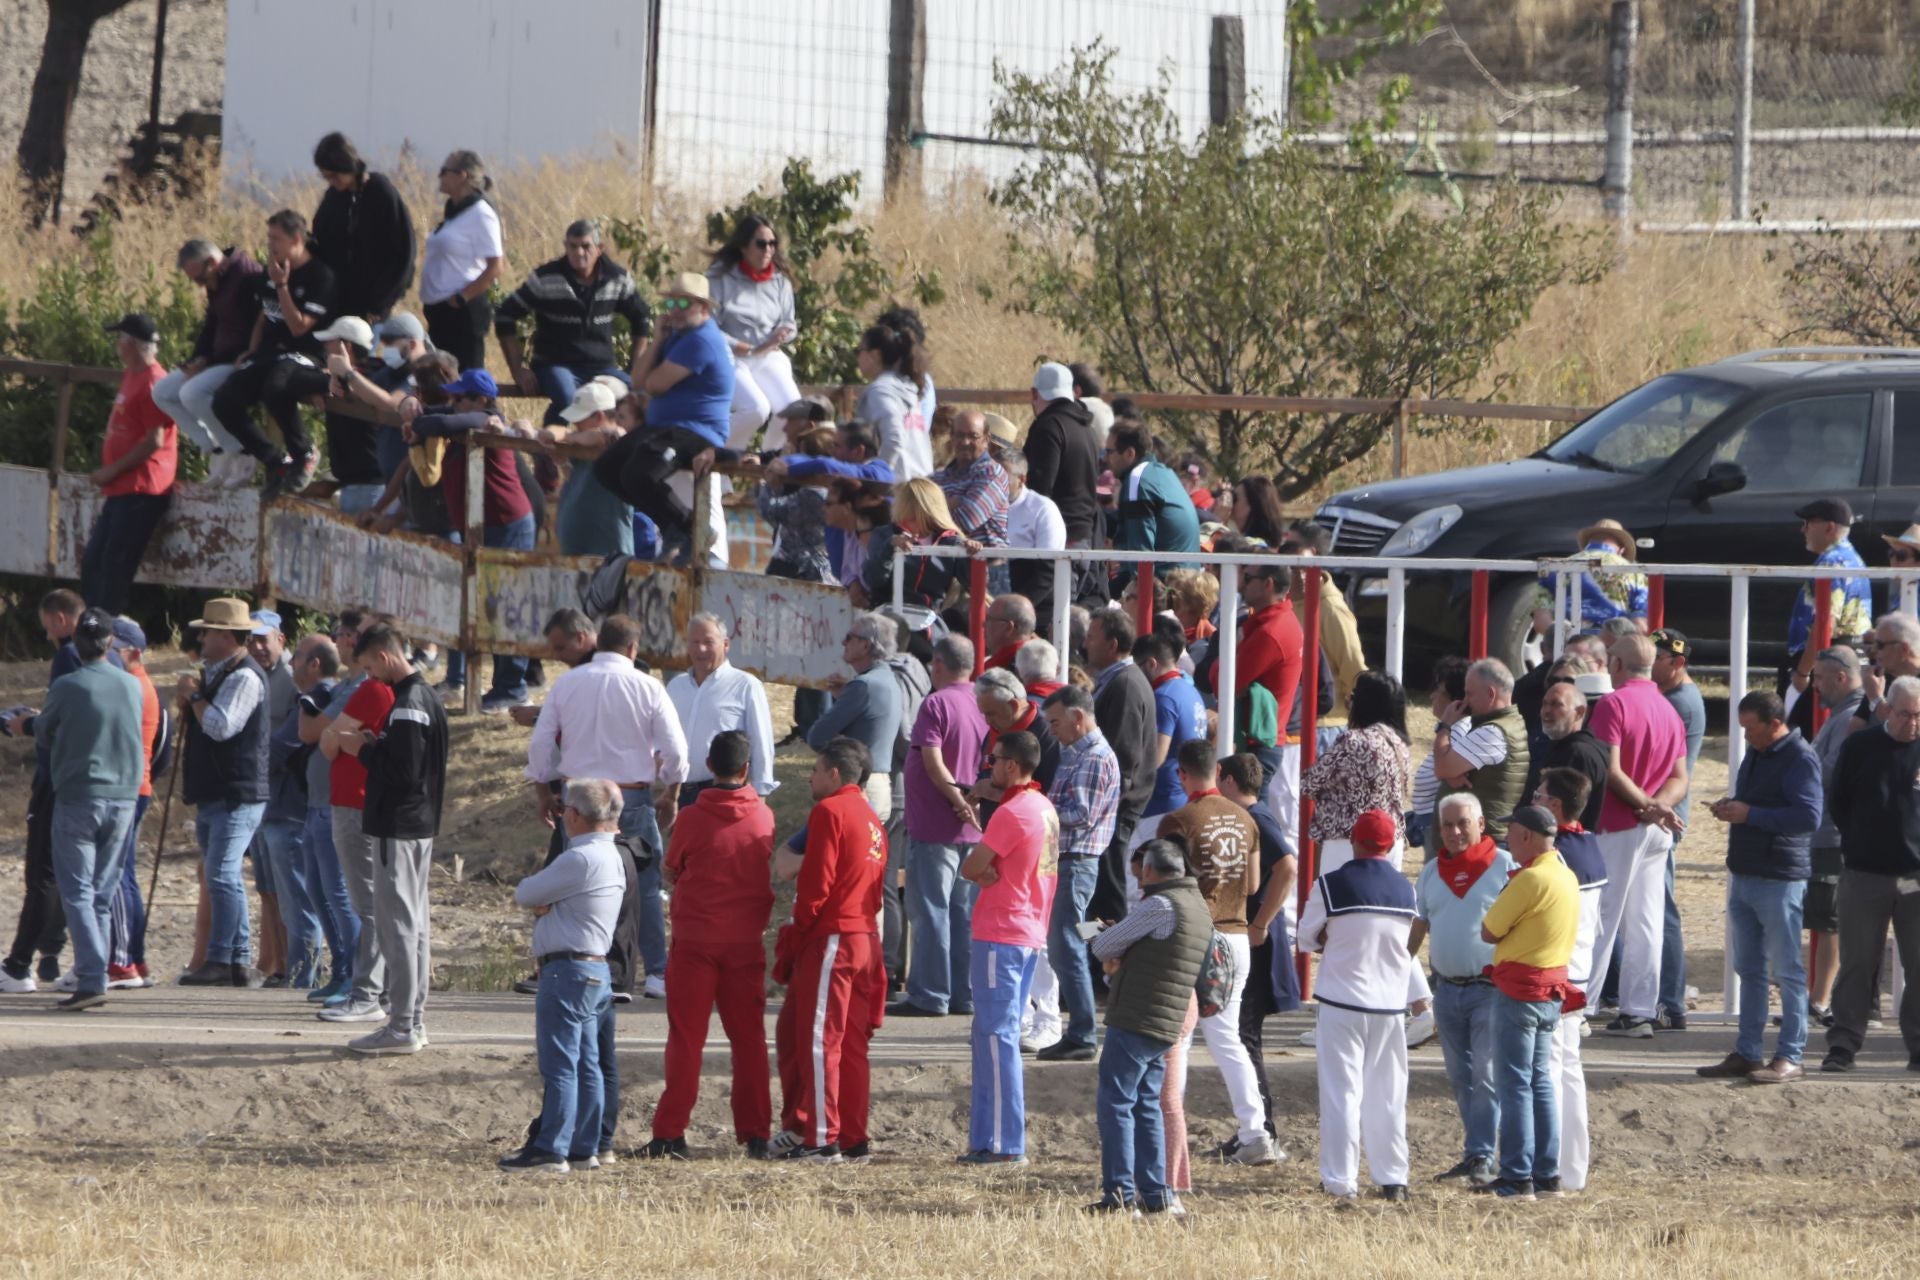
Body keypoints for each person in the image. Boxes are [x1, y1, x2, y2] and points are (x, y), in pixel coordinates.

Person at [530, 615, 689, 1002]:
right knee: (646, 887)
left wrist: (543, 790)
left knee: (578, 883)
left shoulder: (567, 683)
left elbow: (540, 745)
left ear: (598, 643)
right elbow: (677, 751)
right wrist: (672, 791)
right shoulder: (648, 686)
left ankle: (586, 963)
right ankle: (656, 973)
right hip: (630, 795)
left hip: (579, 796)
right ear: (633, 649)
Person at [8, 609, 143, 1010]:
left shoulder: (68, 684)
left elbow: (45, 731)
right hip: (123, 796)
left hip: (81, 795)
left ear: (77, 644)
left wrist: (24, 725)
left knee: (78, 891)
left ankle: (91, 975)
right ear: (108, 642)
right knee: (100, 891)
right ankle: (93, 972)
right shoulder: (130, 684)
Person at [649, 731, 775, 1160]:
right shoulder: (763, 816)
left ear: (709, 762)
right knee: (750, 1040)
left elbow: (672, 866)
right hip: (745, 942)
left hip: (695, 940)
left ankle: (670, 1133)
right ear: (746, 769)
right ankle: (757, 1132)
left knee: (686, 1039)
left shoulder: (690, 817)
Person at [1154, 739, 1277, 1166]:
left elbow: (1163, 886)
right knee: (1227, 1038)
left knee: (1179, 1036)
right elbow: (1254, 884)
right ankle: (1255, 1131)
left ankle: (1169, 1133)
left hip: (1196, 935)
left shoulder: (1178, 820)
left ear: (1182, 774)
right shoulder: (1246, 820)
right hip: (1238, 932)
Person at [497, 779, 628, 1175]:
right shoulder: (610, 856)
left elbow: (526, 893)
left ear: (573, 814)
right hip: (594, 968)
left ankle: (550, 1147)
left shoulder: (579, 858)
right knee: (587, 1062)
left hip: (567, 970)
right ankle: (583, 1146)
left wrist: (546, 904)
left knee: (560, 1065)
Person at [1693, 691, 1821, 1084]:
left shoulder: (1800, 758)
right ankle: (1749, 1052)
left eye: (1750, 727)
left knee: (1787, 971)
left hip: (1780, 877)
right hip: (1747, 872)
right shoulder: (1759, 753)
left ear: (1774, 723)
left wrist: (1750, 814)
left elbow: (1809, 816)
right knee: (1749, 969)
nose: (1745, 735)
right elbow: (1759, 804)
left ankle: (1790, 1055)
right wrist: (1733, 807)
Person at [771, 738, 889, 1162]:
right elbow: (876, 891)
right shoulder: (873, 820)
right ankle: (853, 1136)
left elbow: (815, 885)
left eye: (816, 769)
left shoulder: (830, 812)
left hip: (834, 938)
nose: (810, 777)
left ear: (835, 773)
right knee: (852, 1044)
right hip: (864, 939)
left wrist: (799, 933)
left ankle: (822, 1137)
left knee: (821, 1040)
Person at [333, 623, 448, 1055]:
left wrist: (364, 748)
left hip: (397, 827)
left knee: (398, 925)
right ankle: (410, 1020)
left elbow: (402, 772)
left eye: (368, 667)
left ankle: (402, 1024)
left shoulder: (407, 705)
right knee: (412, 924)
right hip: (417, 826)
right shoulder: (426, 698)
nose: (369, 678)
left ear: (383, 656)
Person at [1298, 810, 1419, 1206]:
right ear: (1389, 845)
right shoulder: (1406, 889)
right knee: (1388, 1094)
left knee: (1341, 1093)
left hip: (1341, 1000)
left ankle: (1340, 1180)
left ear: (1355, 840)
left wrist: (1332, 937)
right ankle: (1393, 1178)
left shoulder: (1331, 885)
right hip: (1389, 1005)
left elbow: (1305, 939)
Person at [1087, 837, 1212, 1216]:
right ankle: (1156, 1194)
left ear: (1153, 870)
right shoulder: (1198, 905)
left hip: (1138, 1014)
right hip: (1167, 1019)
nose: (1138, 876)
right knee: (1147, 1105)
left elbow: (1102, 947)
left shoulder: (1160, 904)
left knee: (1117, 1103)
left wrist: (1096, 933)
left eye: (1142, 869)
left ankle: (1120, 1195)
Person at [405, 368, 537, 712]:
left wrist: (421, 420)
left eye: (460, 397)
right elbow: (433, 417)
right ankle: (503, 683)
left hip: (506, 523)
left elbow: (438, 424)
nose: (453, 402)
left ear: (480, 399)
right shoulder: (468, 417)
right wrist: (409, 404)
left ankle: (513, 685)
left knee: (507, 607)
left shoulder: (486, 417)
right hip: (482, 525)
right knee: (487, 605)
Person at [956, 730, 1058, 1165]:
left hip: (1003, 932)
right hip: (1027, 930)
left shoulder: (1014, 811)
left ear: (1012, 766)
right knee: (993, 1035)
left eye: (994, 760)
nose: (990, 767)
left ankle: (1003, 1142)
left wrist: (982, 872)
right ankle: (989, 1139)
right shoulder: (1044, 807)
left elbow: (970, 867)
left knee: (996, 1038)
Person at [1585, 634, 1688, 1039]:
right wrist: (1658, 806)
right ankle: (1639, 1010)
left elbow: (1608, 770)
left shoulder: (1613, 704)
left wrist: (1645, 804)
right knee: (1645, 920)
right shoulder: (1668, 708)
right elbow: (1681, 778)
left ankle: (1582, 1003)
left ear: (1616, 663)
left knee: (1600, 915)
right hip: (1654, 828)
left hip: (1618, 822)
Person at [1408, 792, 1513, 1188]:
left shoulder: (1505, 867)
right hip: (1447, 991)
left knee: (1486, 1074)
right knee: (1460, 1075)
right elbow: (1418, 926)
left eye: (1462, 823)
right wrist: (1399, 969)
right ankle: (1476, 1152)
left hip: (1490, 989)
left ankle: (1485, 1154)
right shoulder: (1432, 872)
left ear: (1481, 824)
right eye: (1446, 825)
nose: (1453, 832)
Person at [1477, 805, 1580, 1202]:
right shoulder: (1565, 875)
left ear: (1525, 836)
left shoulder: (1530, 880)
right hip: (1550, 991)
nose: (1507, 841)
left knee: (1515, 1084)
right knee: (1539, 1081)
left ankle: (1517, 1176)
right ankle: (1546, 1174)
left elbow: (1489, 930)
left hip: (1519, 991)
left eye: (1512, 834)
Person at [171, 598, 271, 987]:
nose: (201, 637)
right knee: (219, 875)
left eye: (208, 631)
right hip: (219, 793)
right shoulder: (220, 673)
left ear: (227, 636)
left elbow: (219, 726)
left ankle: (231, 959)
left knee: (223, 874)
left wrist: (195, 696)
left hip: (237, 793)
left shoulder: (244, 676)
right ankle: (231, 961)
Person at [1823, 676, 1920, 1073]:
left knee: (1918, 965)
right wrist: (1861, 842)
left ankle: (1917, 1046)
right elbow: (1839, 801)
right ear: (1887, 710)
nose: (1912, 723)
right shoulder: (1861, 746)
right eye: (1904, 715)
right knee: (1858, 963)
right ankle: (1844, 1043)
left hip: (1916, 877)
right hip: (1865, 874)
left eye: (1918, 716)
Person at [891, 635, 990, 1018]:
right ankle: (962, 993)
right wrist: (971, 804)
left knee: (931, 911)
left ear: (937, 664)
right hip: (971, 828)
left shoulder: (936, 703)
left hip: (936, 826)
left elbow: (932, 761)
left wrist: (958, 802)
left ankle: (930, 993)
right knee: (962, 914)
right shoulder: (981, 702)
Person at [607, 271, 735, 561]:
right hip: (666, 429)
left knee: (639, 474)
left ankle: (692, 535)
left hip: (693, 432)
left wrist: (651, 381)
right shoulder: (676, 337)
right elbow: (638, 380)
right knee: (609, 468)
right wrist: (657, 339)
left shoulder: (700, 340)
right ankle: (679, 529)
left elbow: (655, 384)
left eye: (683, 303)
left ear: (703, 307)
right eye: (671, 303)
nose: (674, 310)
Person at [210, 209, 338, 499]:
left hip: (306, 354)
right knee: (224, 400)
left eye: (276, 238)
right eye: (268, 237)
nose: (270, 244)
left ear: (296, 239)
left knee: (276, 388)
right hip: (270, 354)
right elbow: (265, 316)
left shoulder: (320, 276)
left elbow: (298, 327)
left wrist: (282, 285)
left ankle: (303, 452)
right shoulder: (273, 271)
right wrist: (252, 352)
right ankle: (275, 460)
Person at [314, 610, 394, 1023]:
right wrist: (345, 738)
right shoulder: (397, 692)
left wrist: (344, 738)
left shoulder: (373, 691)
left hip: (354, 804)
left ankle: (368, 994)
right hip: (369, 804)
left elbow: (327, 741)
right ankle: (382, 991)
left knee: (370, 904)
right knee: (379, 902)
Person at [495, 218, 651, 423]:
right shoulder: (546, 277)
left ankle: (611, 451)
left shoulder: (617, 278)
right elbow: (505, 315)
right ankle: (548, 449)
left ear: (599, 248)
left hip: (601, 366)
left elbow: (642, 317)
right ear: (565, 247)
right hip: (556, 364)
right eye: (573, 246)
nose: (579, 253)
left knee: (637, 397)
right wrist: (517, 370)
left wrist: (635, 368)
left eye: (586, 246)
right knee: (568, 399)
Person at [1037, 685, 1120, 1063]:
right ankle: (1080, 1030)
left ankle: (1083, 1033)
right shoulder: (1077, 753)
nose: (1051, 729)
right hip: (1068, 861)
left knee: (1066, 948)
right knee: (1068, 944)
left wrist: (1037, 811)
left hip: (1075, 862)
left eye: (1055, 721)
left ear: (1077, 717)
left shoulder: (1094, 757)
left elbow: (1080, 814)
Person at [1531, 768, 1604, 1194]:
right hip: (1577, 970)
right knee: (1568, 1071)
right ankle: (1572, 1169)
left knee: (1550, 1072)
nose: (1534, 798)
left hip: (1556, 972)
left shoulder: (1558, 854)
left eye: (1540, 794)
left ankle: (1553, 1169)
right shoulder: (1589, 845)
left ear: (1555, 806)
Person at [1219, 752, 1298, 1143]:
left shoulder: (1257, 819)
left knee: (1243, 1033)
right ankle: (1256, 1125)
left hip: (1257, 941)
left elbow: (1287, 866)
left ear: (1230, 781)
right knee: (1243, 1034)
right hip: (1252, 937)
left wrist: (1259, 923)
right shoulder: (1255, 817)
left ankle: (1261, 1128)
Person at [77, 313, 178, 614]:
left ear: (132, 344)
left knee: (114, 565)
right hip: (122, 489)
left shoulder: (154, 382)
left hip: (141, 489)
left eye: (121, 339)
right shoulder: (132, 375)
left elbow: (154, 440)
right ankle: (94, 625)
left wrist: (112, 469)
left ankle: (103, 632)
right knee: (96, 561)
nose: (118, 345)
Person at [155, 239, 263, 485]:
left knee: (192, 393)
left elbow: (265, 320)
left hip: (240, 359)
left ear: (213, 263)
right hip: (216, 358)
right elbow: (212, 324)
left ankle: (241, 451)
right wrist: (199, 358)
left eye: (200, 280)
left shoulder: (247, 276)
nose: (200, 286)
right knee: (163, 392)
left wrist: (254, 352)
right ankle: (216, 449)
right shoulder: (218, 281)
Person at [1214, 558, 1305, 844]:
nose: (1240, 584)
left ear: (1267, 584)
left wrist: (1226, 652)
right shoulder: (1276, 622)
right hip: (1260, 741)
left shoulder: (1270, 631)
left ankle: (1272, 876)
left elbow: (1224, 682)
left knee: (1251, 831)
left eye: (1247, 578)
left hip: (1256, 746)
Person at [288, 631, 357, 1004]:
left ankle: (358, 976)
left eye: (297, 657)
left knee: (339, 894)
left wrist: (308, 696)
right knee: (319, 891)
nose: (292, 664)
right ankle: (343, 969)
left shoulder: (353, 688)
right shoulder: (345, 686)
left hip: (335, 805)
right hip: (317, 804)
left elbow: (308, 731)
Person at [252, 609, 319, 987]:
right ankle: (279, 966)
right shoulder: (251, 676)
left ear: (281, 639)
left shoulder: (293, 685)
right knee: (268, 888)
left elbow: (285, 746)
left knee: (293, 893)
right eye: (252, 639)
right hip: (261, 798)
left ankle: (300, 972)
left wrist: (249, 763)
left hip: (286, 798)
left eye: (265, 638)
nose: (259, 646)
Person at [1085, 608, 1158, 922]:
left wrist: (1101, 807)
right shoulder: (1117, 680)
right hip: (1108, 810)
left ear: (1112, 644)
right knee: (1098, 893)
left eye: (1091, 637)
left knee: (1107, 895)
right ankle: (1095, 958)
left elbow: (1123, 758)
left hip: (1113, 811)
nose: (1085, 644)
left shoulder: (1126, 684)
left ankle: (1107, 963)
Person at [706, 212, 802, 446]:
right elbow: (707, 324)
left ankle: (770, 462)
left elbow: (790, 321)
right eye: (761, 244)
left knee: (794, 411)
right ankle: (711, 451)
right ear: (743, 247)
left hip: (768, 354)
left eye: (772, 244)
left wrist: (783, 333)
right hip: (733, 356)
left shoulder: (780, 282)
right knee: (756, 409)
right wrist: (739, 346)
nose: (768, 250)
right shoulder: (720, 278)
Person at [1806, 645, 1865, 1026]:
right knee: (1825, 918)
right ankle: (1820, 998)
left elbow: (1827, 773)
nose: (1816, 687)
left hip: (1835, 834)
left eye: (1820, 678)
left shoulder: (1849, 718)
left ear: (1841, 677)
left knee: (1828, 920)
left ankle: (1821, 1000)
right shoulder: (1844, 715)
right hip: (1830, 831)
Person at [1303, 671, 1412, 875]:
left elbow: (1310, 782)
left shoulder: (1353, 741)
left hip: (1348, 842)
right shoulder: (1400, 745)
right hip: (1391, 841)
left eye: (1353, 697)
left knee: (1339, 903)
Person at [104, 617, 162, 990]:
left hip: (130, 787)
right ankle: (133, 958)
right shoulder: (136, 685)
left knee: (118, 875)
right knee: (125, 873)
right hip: (135, 785)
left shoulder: (133, 686)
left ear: (133, 651)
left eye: (114, 647)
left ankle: (123, 961)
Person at [668, 613, 776, 808]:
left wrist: (760, 796)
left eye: (709, 642)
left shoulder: (745, 686)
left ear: (726, 644)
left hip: (725, 794)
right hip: (681, 795)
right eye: (695, 642)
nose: (701, 649)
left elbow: (761, 744)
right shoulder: (676, 687)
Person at [309, 132, 415, 321]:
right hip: (337, 302)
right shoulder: (334, 197)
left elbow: (403, 253)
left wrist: (380, 304)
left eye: (334, 175)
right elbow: (322, 237)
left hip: (370, 307)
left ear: (346, 165)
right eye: (326, 177)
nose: (332, 182)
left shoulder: (380, 192)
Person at [807, 612, 904, 818]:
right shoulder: (888, 679)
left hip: (860, 788)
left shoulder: (863, 686)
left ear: (866, 645)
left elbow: (816, 737)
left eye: (850, 637)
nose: (844, 642)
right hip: (880, 785)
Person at [1127, 633, 1208, 876]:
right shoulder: (1188, 690)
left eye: (1138, 667)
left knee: (1141, 878)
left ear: (1151, 663)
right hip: (1182, 796)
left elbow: (1156, 756)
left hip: (1159, 802)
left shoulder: (1163, 697)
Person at [1428, 658, 1530, 845]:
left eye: (1469, 694)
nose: (1465, 701)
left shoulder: (1493, 732)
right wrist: (1450, 773)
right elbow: (1447, 768)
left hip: (1479, 846)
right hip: (1475, 841)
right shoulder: (1501, 725)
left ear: (1491, 694)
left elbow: (1441, 768)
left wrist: (1444, 726)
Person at [418, 150, 503, 369]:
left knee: (466, 382)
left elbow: (495, 266)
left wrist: (462, 298)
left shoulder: (481, 213)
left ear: (462, 175)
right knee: (440, 381)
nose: (439, 176)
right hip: (439, 313)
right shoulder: (455, 212)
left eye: (444, 171)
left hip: (462, 314)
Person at [1278, 523, 1367, 715]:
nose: (1285, 551)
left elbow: (1354, 669)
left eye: (1292, 546)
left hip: (1325, 723)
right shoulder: (1284, 601)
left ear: (1311, 553)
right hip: (1291, 719)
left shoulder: (1331, 609)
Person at [543, 382, 635, 558]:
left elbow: (613, 434)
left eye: (580, 419)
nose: (575, 423)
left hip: (607, 558)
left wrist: (569, 437)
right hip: (577, 553)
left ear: (599, 416)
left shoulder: (615, 441)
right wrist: (563, 462)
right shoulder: (582, 443)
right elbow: (581, 481)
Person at [1105, 422, 1199, 586]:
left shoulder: (1137, 480)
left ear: (1129, 453)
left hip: (1163, 586)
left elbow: (1140, 556)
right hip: (1185, 583)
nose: (1104, 458)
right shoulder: (1164, 473)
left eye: (1109, 452)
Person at [855, 478, 967, 615]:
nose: (907, 518)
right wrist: (889, 548)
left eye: (914, 513)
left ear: (930, 511)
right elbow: (872, 579)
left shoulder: (951, 542)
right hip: (887, 614)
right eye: (904, 510)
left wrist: (971, 554)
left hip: (929, 618)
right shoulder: (885, 535)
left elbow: (972, 583)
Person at [1521, 679, 1608, 829]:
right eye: (1545, 704)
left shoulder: (1577, 753)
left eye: (1556, 704)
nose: (1546, 710)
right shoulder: (1562, 746)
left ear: (1579, 712)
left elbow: (1567, 813)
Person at [854, 318, 932, 482]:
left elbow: (894, 439)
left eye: (859, 350)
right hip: (921, 483)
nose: (857, 357)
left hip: (898, 487)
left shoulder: (881, 391)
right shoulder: (904, 387)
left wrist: (875, 479)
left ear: (874, 355)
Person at [1001, 448, 1067, 619]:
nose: (993, 483)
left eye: (1002, 478)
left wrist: (1015, 610)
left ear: (1022, 479)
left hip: (1033, 607)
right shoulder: (983, 507)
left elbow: (1047, 573)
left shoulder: (1043, 509)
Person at [1553, 519, 1648, 629]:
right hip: (1612, 642)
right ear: (1621, 551)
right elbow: (1641, 624)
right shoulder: (1633, 572)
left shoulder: (1558, 567)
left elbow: (1540, 620)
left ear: (1588, 543)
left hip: (1569, 642)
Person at [982, 595, 1037, 674]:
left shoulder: (1001, 671)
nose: (983, 624)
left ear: (1008, 627)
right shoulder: (1040, 662)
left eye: (989, 619)